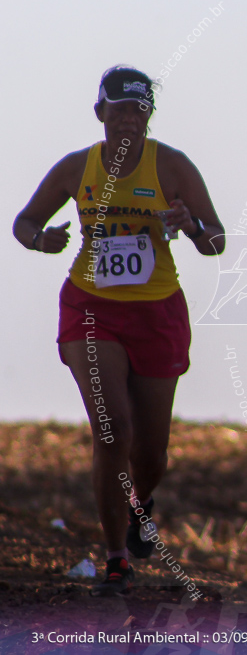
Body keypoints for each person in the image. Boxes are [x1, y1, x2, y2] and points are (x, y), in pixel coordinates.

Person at [13, 65, 225, 597]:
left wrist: (191, 225)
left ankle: (140, 505)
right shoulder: (75, 168)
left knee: (150, 453)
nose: (130, 120)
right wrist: (43, 241)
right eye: (121, 109)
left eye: (140, 110)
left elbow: (216, 240)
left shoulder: (172, 167)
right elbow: (24, 221)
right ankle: (115, 557)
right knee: (113, 431)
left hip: (158, 313)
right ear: (100, 112)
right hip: (91, 310)